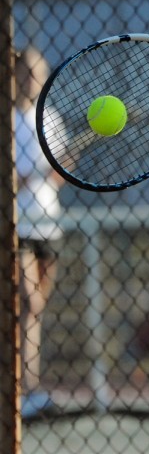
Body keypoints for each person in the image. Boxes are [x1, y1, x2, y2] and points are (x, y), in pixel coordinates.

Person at [15, 47, 64, 418]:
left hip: (49, 223)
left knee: (36, 310)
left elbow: (60, 173)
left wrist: (54, 171)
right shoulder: (8, 120)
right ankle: (26, 389)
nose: (30, 78)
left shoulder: (49, 116)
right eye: (25, 72)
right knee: (27, 304)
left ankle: (28, 386)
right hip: (16, 225)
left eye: (36, 71)